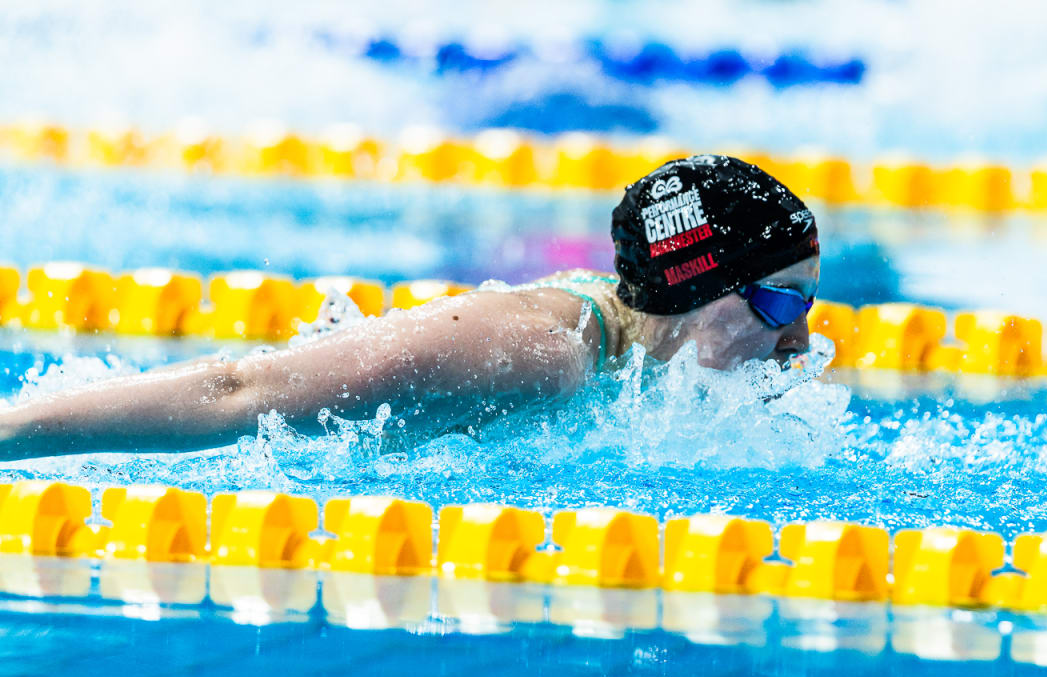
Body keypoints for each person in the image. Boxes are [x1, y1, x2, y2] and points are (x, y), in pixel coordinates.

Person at [0, 155, 819, 459]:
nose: (799, 344)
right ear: (691, 288)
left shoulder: (619, 344)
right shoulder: (545, 358)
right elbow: (239, 392)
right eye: (784, 302)